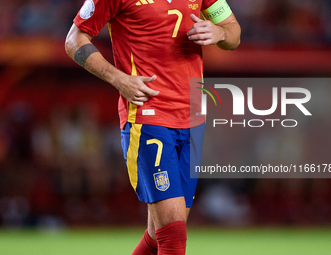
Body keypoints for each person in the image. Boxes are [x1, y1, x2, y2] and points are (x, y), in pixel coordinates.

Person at [65, 0, 241, 254]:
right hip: (149, 117)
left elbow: (233, 32)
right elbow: (74, 39)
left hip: (193, 119)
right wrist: (119, 79)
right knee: (173, 235)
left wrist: (220, 33)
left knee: (158, 236)